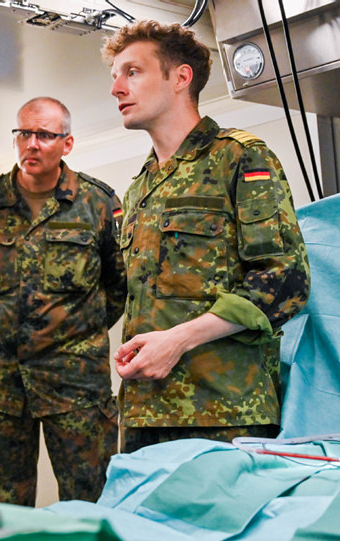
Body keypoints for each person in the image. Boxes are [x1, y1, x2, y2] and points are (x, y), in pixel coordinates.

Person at [102, 20, 310, 453]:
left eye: (132, 72)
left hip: (225, 412)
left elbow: (284, 280)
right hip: (144, 413)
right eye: (114, 76)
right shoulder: (139, 189)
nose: (116, 88)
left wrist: (177, 341)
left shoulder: (238, 157)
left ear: (180, 78)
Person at [0, 97, 126, 505]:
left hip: (75, 386)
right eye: (24, 133)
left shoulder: (98, 203)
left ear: (66, 144)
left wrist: (70, 335)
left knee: (90, 502)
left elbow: (117, 288)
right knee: (2, 507)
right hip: (1, 385)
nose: (32, 144)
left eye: (45, 135)